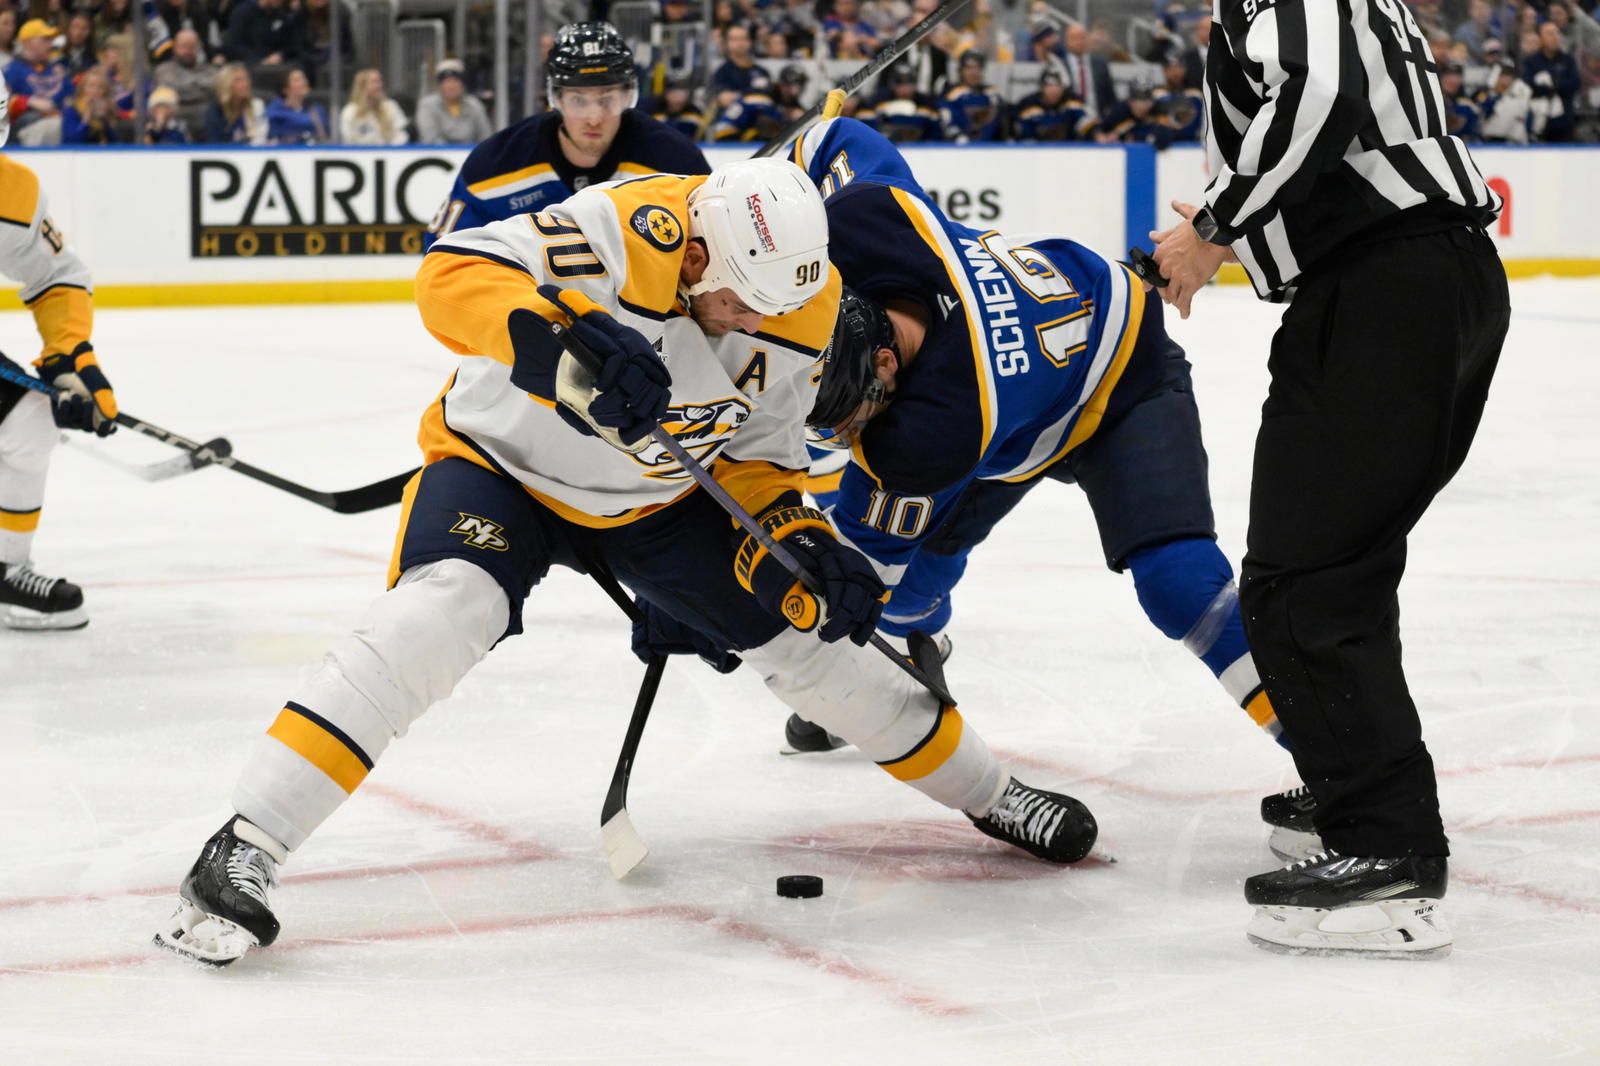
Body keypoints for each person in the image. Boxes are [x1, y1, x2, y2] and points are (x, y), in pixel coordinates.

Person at [151, 157, 1099, 967]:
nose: (743, 327)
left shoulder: (797, 305)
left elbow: (761, 464)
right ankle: (245, 844)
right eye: (731, 303)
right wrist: (561, 350)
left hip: (656, 503)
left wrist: (803, 539)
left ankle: (989, 792)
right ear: (692, 254)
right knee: (443, 612)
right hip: (502, 466)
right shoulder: (617, 225)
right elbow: (448, 275)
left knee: (814, 642)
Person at [1144, 0, 1505, 957]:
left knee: (1304, 578)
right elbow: (1331, 132)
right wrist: (1238, 236)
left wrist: (1218, 227)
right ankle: (1358, 788)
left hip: (1390, 291)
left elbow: (1323, 87)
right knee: (1334, 565)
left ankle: (1386, 853)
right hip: (1408, 284)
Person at [422, 21, 709, 252]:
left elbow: (713, 251)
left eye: (607, 99)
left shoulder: (677, 163)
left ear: (627, 96)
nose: (594, 117)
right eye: (578, 100)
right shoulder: (495, 165)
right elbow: (443, 256)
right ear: (555, 98)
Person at [0, 86, 119, 630]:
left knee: (30, 425)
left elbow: (54, 275)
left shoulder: (13, 191)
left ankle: (7, 569)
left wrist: (68, 356)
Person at [4, 19, 71, 141]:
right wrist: (29, 102)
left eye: (51, 40)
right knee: (32, 118)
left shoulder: (58, 70)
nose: (51, 45)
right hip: (24, 130)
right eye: (45, 39)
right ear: (28, 42)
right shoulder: (11, 71)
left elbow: (72, 99)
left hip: (59, 123)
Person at [710, 62, 807, 142]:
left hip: (742, 132)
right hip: (728, 134)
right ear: (781, 84)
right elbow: (764, 124)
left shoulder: (788, 103)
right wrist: (786, 118)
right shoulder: (764, 95)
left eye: (799, 86)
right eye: (790, 86)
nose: (794, 91)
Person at [414, 58, 492, 145]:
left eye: (456, 81)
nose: (451, 86)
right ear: (439, 85)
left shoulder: (475, 105)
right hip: (436, 156)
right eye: (447, 81)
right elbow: (431, 138)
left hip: (471, 154)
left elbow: (486, 138)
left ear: (463, 84)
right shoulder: (427, 105)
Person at [155, 28, 214, 137]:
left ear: (199, 48)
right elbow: (170, 93)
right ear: (175, 48)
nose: (188, 51)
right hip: (177, 119)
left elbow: (216, 86)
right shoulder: (164, 70)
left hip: (207, 119)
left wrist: (185, 87)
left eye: (192, 47)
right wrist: (200, 87)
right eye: (184, 46)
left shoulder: (209, 70)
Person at [1012, 66, 1097, 142]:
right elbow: (1021, 133)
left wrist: (1095, 133)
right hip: (1037, 153)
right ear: (1041, 87)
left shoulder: (1073, 102)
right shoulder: (1028, 104)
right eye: (1049, 86)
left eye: (1058, 85)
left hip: (1069, 152)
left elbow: (1089, 122)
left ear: (1063, 87)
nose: (1054, 91)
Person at [938, 49, 1005, 142]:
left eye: (978, 68)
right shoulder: (951, 94)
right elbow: (947, 122)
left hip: (991, 149)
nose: (974, 72)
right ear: (961, 70)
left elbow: (1002, 125)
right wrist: (958, 137)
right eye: (969, 68)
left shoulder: (993, 94)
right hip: (960, 148)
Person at [202, 61, 266, 143]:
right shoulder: (215, 110)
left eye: (246, 79)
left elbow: (260, 138)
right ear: (226, 84)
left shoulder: (256, 105)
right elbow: (214, 143)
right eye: (238, 80)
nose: (245, 83)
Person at [61, 66, 124, 144]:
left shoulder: (109, 109)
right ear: (83, 88)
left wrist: (104, 121)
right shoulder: (71, 109)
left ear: (104, 91)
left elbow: (114, 143)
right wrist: (85, 121)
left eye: (100, 87)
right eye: (91, 86)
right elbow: (71, 141)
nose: (95, 91)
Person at [265, 65, 327, 144]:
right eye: (297, 80)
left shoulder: (316, 109)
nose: (304, 83)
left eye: (304, 78)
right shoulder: (274, 110)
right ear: (285, 89)